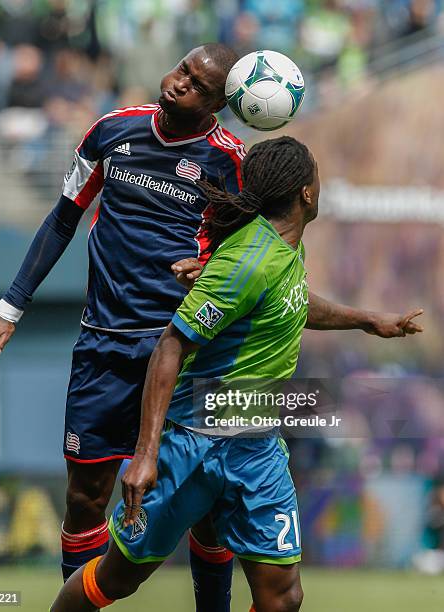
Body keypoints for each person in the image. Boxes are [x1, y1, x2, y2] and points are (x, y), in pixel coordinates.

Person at [50, 136, 423, 611]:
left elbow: (294, 302)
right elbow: (171, 345)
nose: (321, 183)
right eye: (317, 175)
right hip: (193, 443)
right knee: (116, 579)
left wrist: (369, 321)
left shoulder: (287, 253)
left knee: (282, 598)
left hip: (256, 445)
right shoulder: (250, 258)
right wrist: (145, 455)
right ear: (306, 193)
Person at [0, 43, 246, 611]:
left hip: (180, 352)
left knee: (208, 510)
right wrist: (9, 308)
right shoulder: (113, 130)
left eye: (198, 84)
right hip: (103, 348)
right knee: (86, 499)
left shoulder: (228, 162)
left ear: (218, 104)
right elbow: (63, 216)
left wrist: (208, 266)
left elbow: (240, 260)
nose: (180, 82)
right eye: (182, 67)